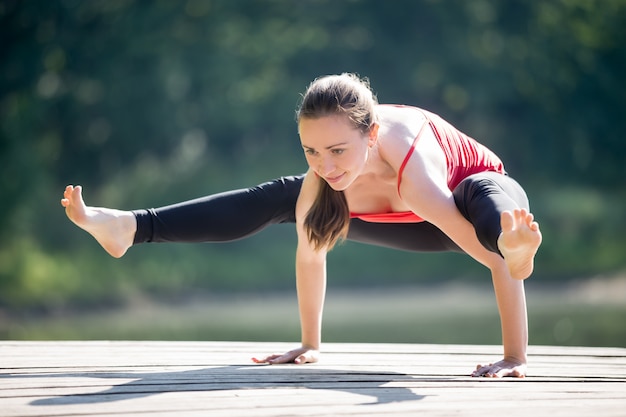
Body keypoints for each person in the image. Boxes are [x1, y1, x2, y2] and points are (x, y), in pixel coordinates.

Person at [61, 73, 542, 378]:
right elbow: (311, 253)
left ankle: (515, 238)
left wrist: (514, 355)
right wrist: (310, 344)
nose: (326, 165)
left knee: (488, 210)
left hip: (473, 204)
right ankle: (131, 226)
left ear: (371, 135)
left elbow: (493, 263)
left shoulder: (414, 171)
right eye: (312, 150)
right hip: (411, 223)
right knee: (284, 196)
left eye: (337, 151)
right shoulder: (323, 176)